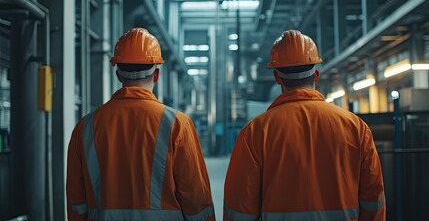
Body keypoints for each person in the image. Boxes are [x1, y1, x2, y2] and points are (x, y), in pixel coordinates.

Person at [223, 30, 385, 220]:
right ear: (315, 75)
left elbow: (240, 208)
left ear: (277, 78)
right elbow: (373, 200)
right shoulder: (356, 128)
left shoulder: (255, 133)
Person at [67, 28, 215, 221]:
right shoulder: (178, 125)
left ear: (119, 75)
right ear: (156, 75)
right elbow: (196, 200)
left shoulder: (85, 127)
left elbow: (76, 202)